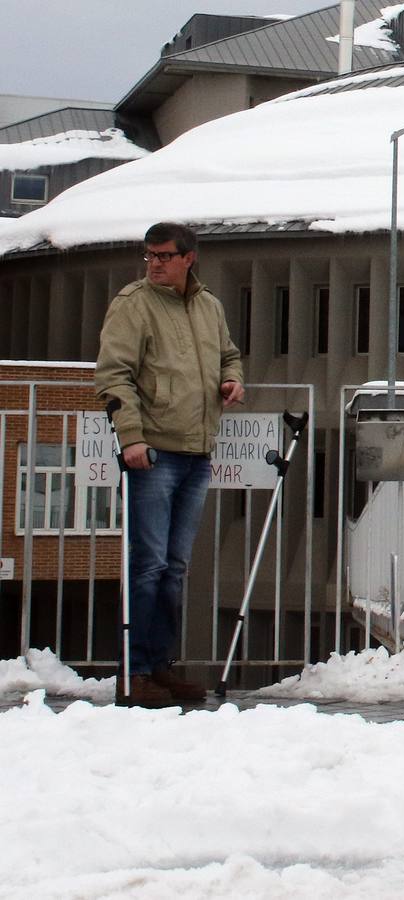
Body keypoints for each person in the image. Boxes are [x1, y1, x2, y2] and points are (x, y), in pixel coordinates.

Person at [95, 222, 244, 707]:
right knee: (149, 564)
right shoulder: (133, 304)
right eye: (149, 256)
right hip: (154, 451)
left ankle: (160, 666)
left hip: (197, 450)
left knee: (174, 567)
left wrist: (231, 381)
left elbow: (229, 356)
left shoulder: (209, 306)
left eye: (163, 255)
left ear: (188, 258)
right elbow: (114, 375)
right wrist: (131, 437)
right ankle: (134, 671)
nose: (154, 263)